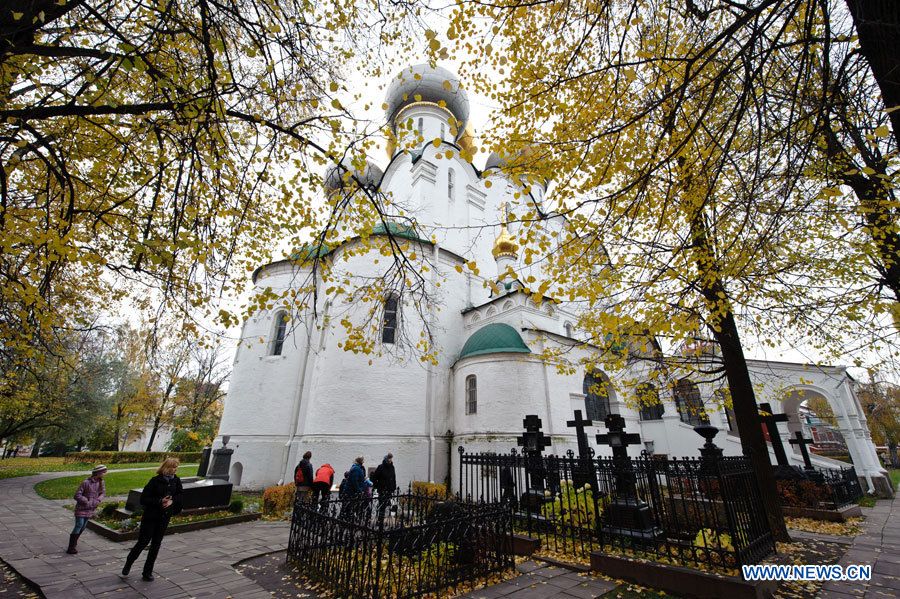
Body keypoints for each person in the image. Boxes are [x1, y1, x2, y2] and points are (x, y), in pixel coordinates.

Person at [121, 458, 183, 581]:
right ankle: (129, 563)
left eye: (177, 467)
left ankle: (147, 571)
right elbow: (144, 499)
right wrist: (160, 501)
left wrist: (172, 501)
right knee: (143, 542)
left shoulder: (176, 480)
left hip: (164, 517)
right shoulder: (155, 481)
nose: (176, 469)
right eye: (174, 467)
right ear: (167, 468)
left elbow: (180, 495)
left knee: (156, 544)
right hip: (151, 517)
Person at [68, 465, 107, 554]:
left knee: (83, 526)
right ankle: (71, 547)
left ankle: (75, 542)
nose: (105, 474)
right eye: (104, 472)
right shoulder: (86, 482)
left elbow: (103, 493)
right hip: (82, 507)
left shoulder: (101, 482)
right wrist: (86, 501)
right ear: (98, 472)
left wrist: (98, 500)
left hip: (91, 508)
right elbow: (77, 495)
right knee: (79, 524)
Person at [371, 453, 396, 519]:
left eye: (391, 458)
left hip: (389, 489)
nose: (390, 459)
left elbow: (393, 478)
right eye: (389, 458)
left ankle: (386, 519)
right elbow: (375, 477)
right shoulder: (381, 467)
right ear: (386, 459)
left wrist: (393, 488)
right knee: (382, 505)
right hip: (382, 489)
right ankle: (380, 520)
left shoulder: (392, 467)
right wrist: (376, 486)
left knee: (388, 505)